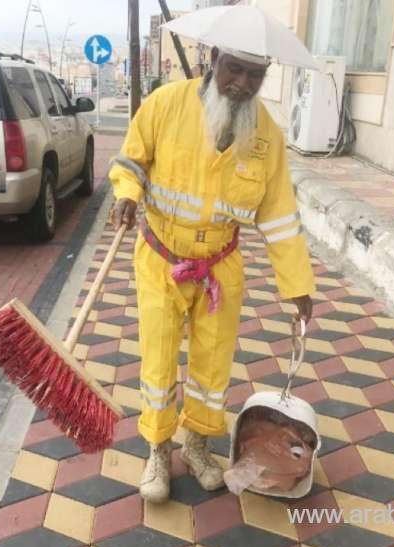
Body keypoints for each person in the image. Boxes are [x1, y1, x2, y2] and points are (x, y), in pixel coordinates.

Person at [108, 46, 315, 503]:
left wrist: (297, 285)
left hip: (221, 264)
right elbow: (131, 162)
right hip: (162, 257)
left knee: (213, 364)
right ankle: (158, 450)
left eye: (255, 75)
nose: (242, 83)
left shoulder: (267, 135)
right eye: (234, 70)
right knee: (159, 360)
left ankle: (197, 446)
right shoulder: (165, 104)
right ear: (213, 60)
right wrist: (126, 192)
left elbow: (279, 215)